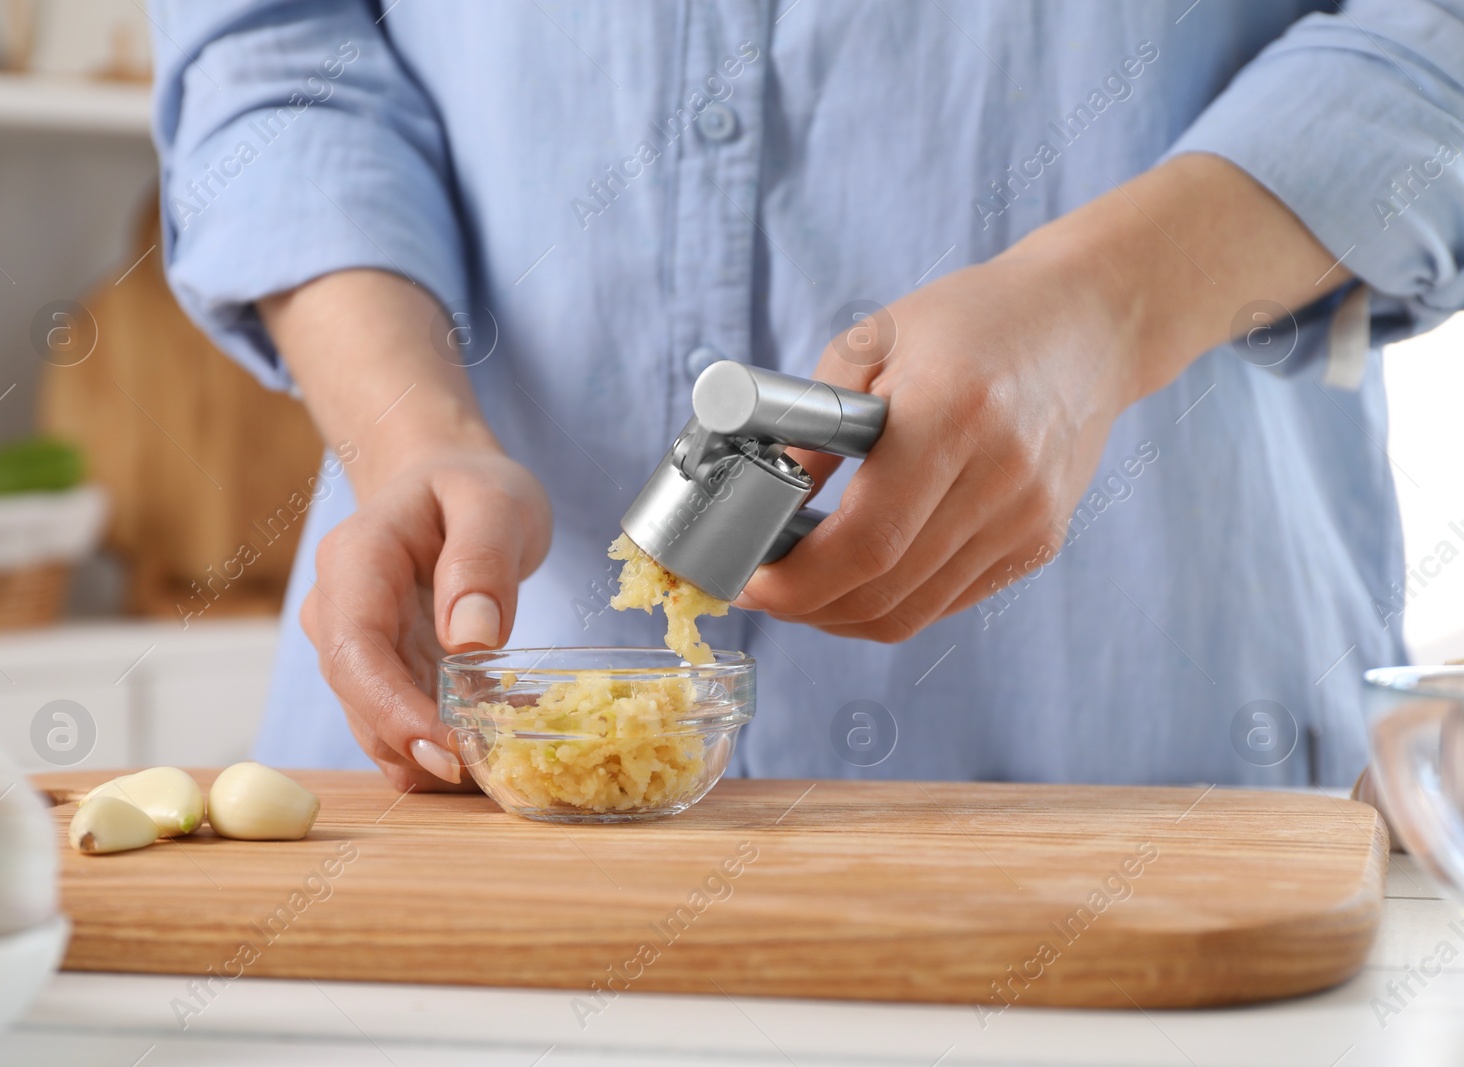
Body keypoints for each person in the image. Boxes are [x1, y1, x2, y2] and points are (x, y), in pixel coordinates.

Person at [148, 1, 1464, 792]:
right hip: (473, 767)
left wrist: (1112, 303)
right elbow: (268, 43)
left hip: (1151, 759)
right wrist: (406, 431)